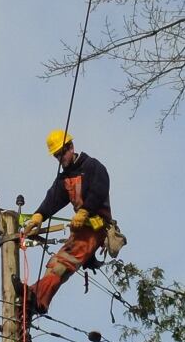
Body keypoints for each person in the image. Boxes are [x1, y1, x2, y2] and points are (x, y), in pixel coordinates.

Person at [15, 129, 114, 317]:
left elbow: (100, 190)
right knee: (56, 264)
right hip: (81, 230)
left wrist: (85, 211)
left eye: (62, 153)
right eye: (56, 156)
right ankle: (37, 299)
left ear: (71, 147)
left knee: (63, 262)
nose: (60, 159)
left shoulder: (93, 166)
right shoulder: (64, 178)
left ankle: (37, 297)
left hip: (97, 226)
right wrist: (38, 216)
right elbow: (53, 199)